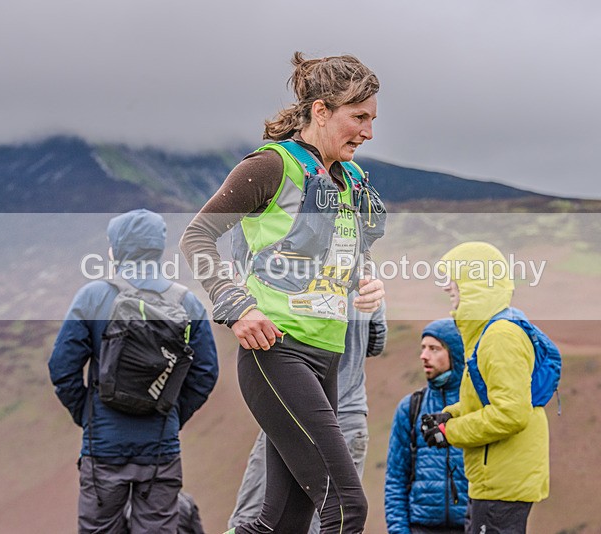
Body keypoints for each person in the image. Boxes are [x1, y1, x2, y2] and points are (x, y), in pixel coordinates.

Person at [180, 52, 384, 534]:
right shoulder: (271, 166)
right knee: (345, 506)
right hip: (276, 352)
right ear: (320, 111)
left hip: (327, 354)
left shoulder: (352, 179)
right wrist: (235, 305)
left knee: (281, 524)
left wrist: (366, 282)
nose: (368, 132)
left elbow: (340, 255)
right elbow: (196, 237)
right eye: (358, 118)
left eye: (373, 120)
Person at [49, 209, 219, 533]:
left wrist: (88, 415)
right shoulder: (188, 303)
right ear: (158, 249)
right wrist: (169, 412)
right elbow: (205, 373)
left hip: (103, 448)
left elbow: (62, 368)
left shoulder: (94, 296)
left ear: (118, 249)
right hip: (160, 448)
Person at [228, 294, 387, 532]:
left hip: (288, 406)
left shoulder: (287, 274)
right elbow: (376, 342)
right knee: (338, 512)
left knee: (283, 524)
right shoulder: (360, 275)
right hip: (322, 409)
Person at [423, 242, 550, 533]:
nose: (447, 289)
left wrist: (450, 432)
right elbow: (486, 399)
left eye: (453, 280)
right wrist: (450, 415)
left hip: (502, 482)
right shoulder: (490, 332)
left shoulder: (500, 336)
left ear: (474, 285)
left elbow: (511, 413)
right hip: (495, 478)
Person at [385, 319, 468, 534]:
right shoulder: (411, 408)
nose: (424, 356)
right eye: (423, 348)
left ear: (456, 354)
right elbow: (396, 479)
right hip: (420, 528)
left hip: (470, 526)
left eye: (434, 349)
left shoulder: (477, 406)